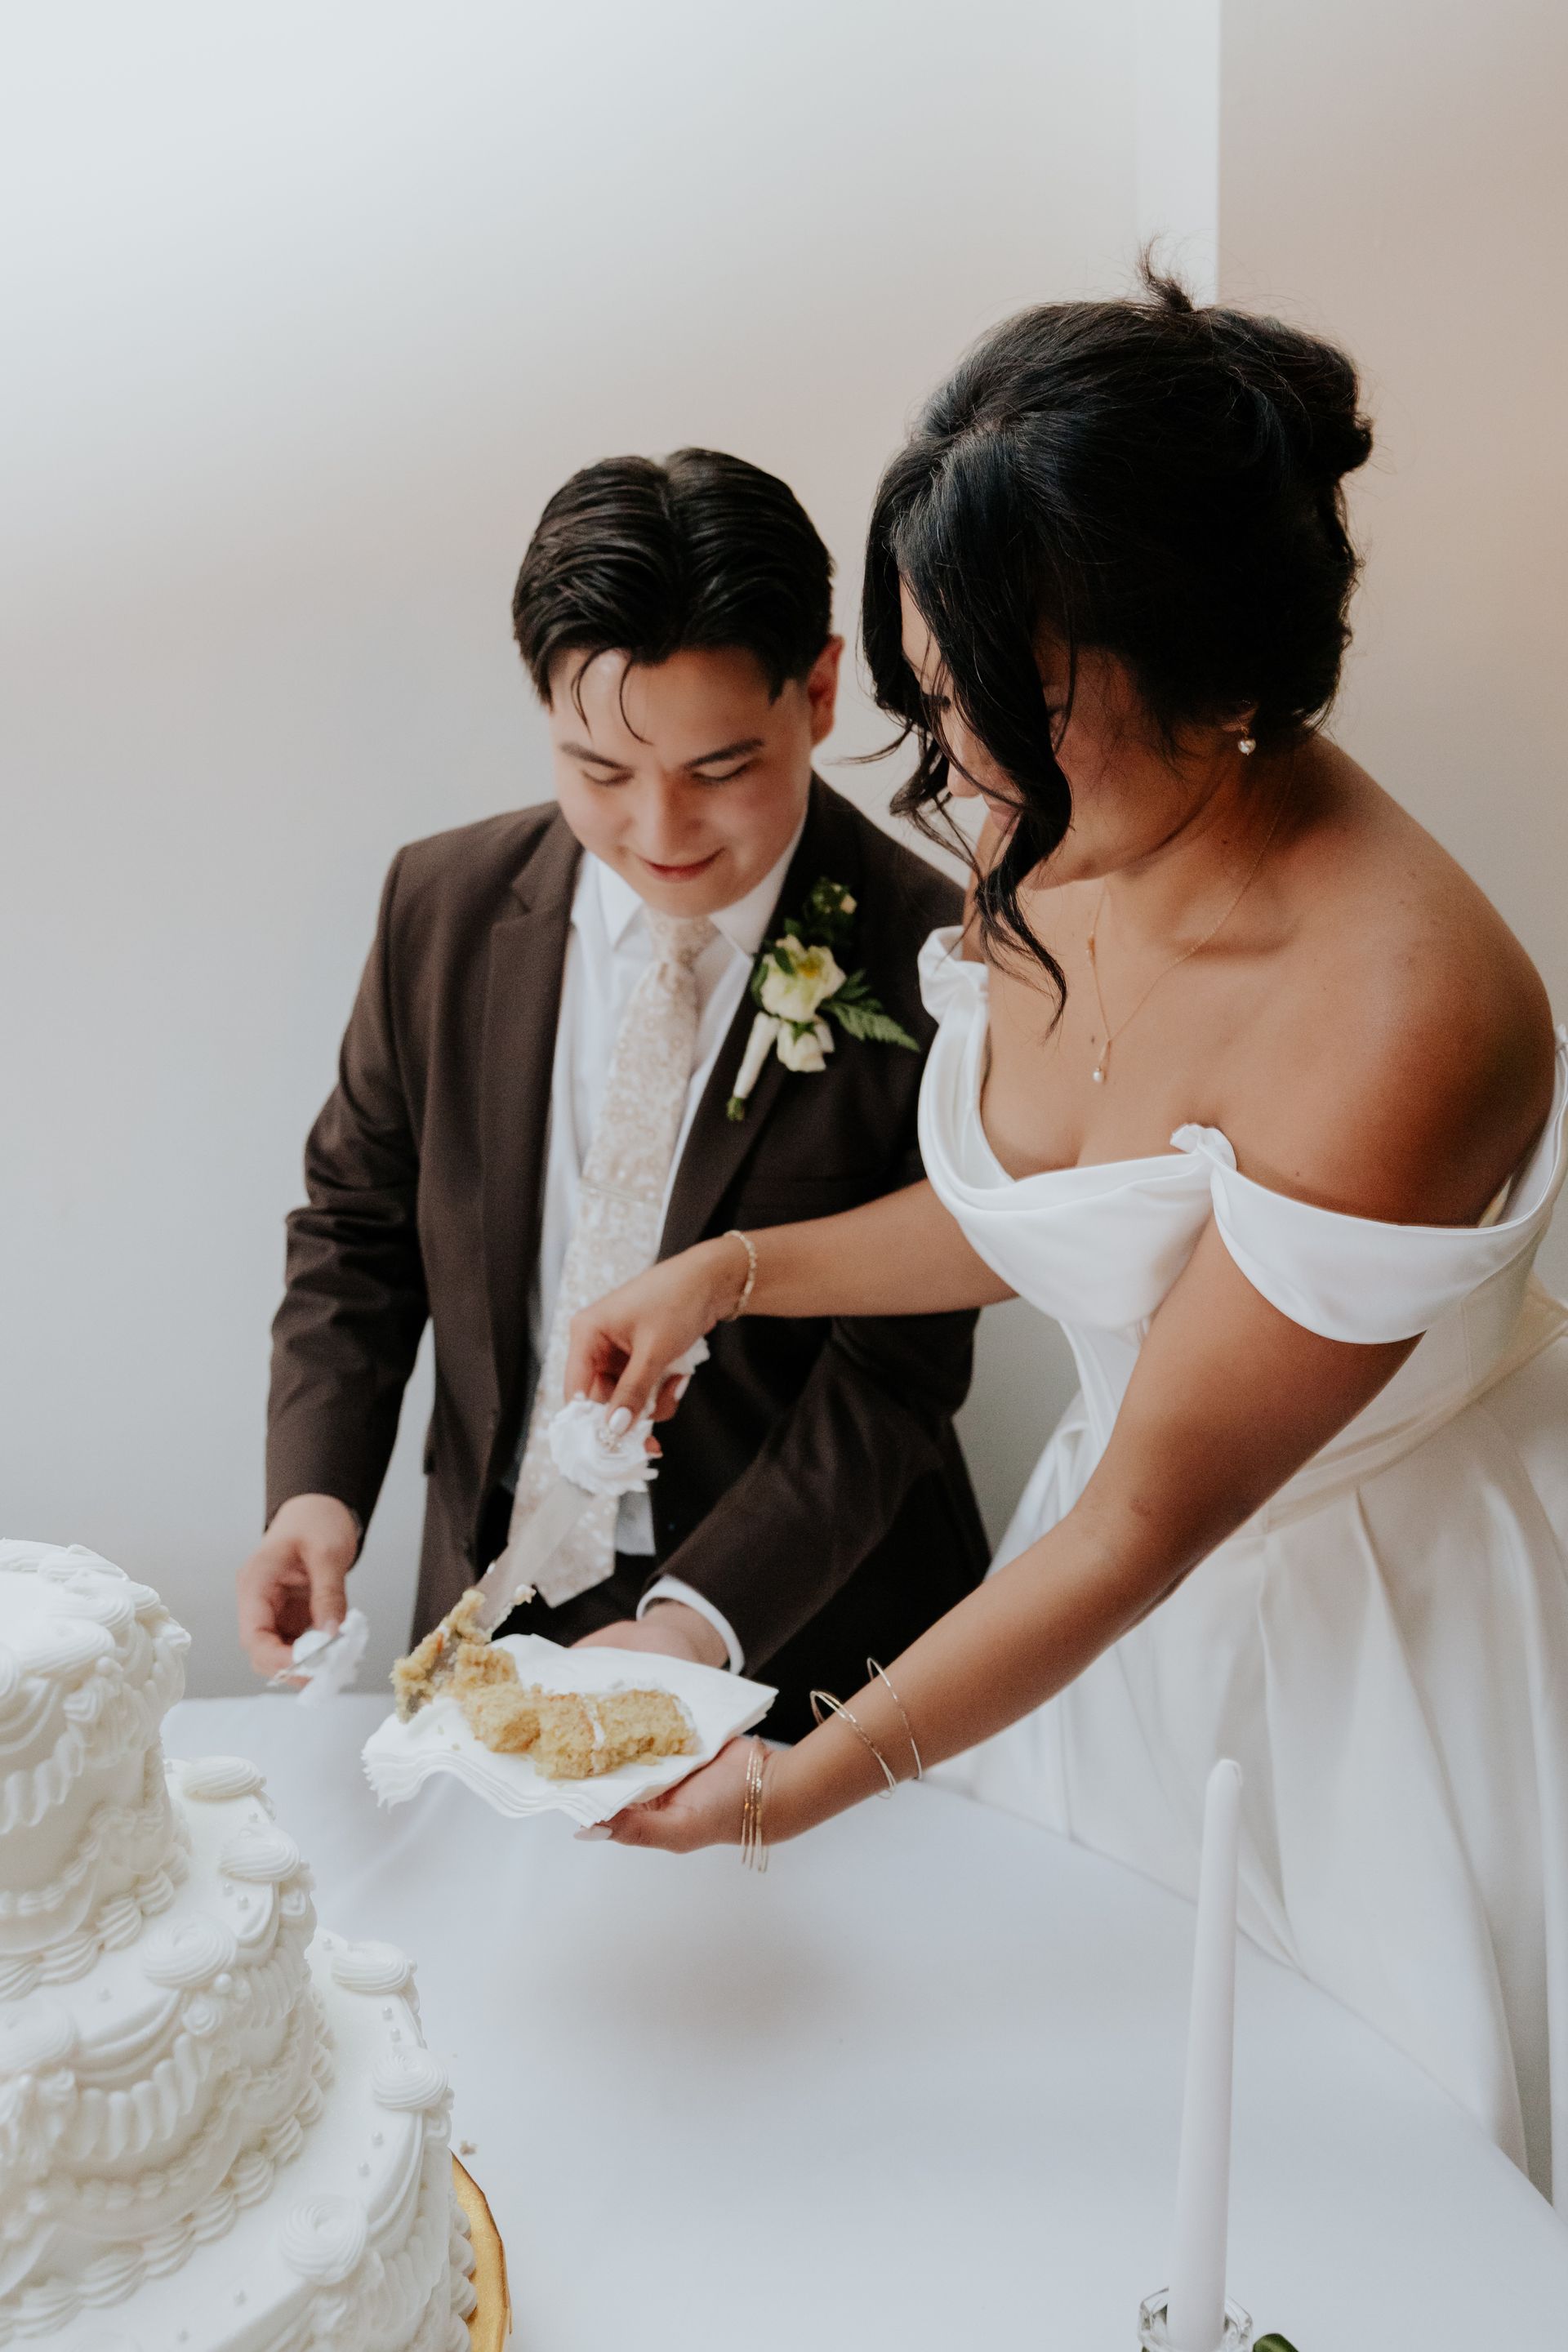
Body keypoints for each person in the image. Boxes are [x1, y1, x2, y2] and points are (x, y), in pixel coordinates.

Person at [564, 282, 1568, 2209]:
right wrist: (737, 1272)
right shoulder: (1070, 829)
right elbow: (1061, 1218)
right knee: (1060, 2155)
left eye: (992, 709)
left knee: (1328, 2199)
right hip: (1110, 1583)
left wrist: (797, 1783)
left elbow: (1149, 1522)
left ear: (1202, 665)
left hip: (1373, 1629)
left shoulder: (1404, 1013)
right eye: (934, 698)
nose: (953, 769)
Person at [240, 448, 988, 1739]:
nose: (661, 831)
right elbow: (356, 1230)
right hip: (488, 1617)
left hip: (804, 1642)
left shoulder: (937, 959)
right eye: (599, 771)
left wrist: (697, 1620)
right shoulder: (440, 906)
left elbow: (898, 1373)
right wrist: (317, 1493)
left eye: (719, 769)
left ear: (817, 691)